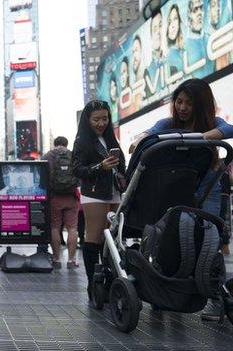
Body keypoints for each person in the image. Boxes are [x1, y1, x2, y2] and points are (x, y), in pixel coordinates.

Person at [129, 78, 232, 320]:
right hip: (177, 189)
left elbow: (228, 129)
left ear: (201, 104)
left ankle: (217, 299)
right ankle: (165, 293)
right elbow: (151, 131)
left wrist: (202, 136)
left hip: (209, 189)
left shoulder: (213, 123)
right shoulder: (169, 123)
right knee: (170, 240)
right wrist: (139, 138)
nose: (182, 107)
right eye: (179, 101)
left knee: (209, 241)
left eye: (189, 103)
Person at [71, 100, 126, 303]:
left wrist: (121, 172)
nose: (101, 123)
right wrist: (99, 167)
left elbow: (122, 166)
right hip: (93, 192)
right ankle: (93, 283)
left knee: (111, 239)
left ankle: (109, 280)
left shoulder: (110, 138)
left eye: (105, 118)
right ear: (87, 120)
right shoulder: (82, 141)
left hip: (114, 191)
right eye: (96, 119)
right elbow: (77, 170)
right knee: (93, 237)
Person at [42, 136, 80, 269]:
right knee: (72, 228)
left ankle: (57, 259)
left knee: (55, 228)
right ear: (66, 143)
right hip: (71, 197)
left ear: (55, 143)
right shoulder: (73, 155)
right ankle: (71, 260)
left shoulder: (47, 156)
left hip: (54, 197)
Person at [186, 0, 215, 78]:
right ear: (188, 17)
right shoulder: (184, 48)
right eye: (195, 10)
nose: (199, 13)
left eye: (201, 8)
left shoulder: (210, 39)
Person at [146, 11, 165, 97]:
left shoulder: (170, 61)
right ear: (150, 36)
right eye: (154, 29)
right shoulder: (147, 71)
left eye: (160, 26)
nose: (158, 32)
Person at [166, 4, 185, 78]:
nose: (172, 25)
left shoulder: (185, 50)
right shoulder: (168, 56)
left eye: (175, 18)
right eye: (170, 21)